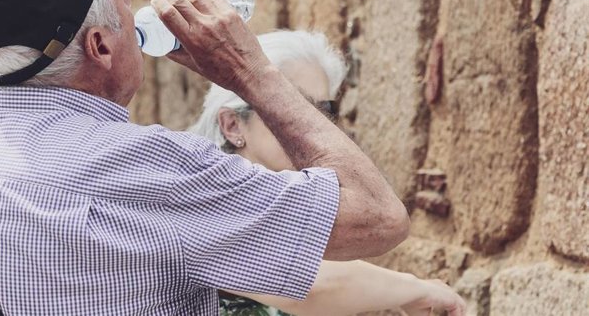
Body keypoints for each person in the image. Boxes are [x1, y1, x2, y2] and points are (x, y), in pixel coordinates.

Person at [0, 0, 410, 315]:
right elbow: (377, 219)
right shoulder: (145, 167)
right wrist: (249, 73)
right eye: (126, 1)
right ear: (100, 46)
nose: (137, 12)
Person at [191, 30, 466, 316]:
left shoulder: (290, 208)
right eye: (287, 107)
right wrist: (414, 289)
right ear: (233, 125)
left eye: (323, 110)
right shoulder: (206, 199)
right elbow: (305, 284)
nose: (311, 124)